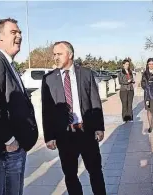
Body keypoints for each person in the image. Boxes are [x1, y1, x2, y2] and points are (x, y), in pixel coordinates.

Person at [0, 18, 38, 195]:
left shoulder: (8, 63)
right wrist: (10, 140)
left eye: (20, 32)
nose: (19, 35)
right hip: (5, 150)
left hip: (13, 149)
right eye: (14, 32)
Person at [41, 41, 106, 195]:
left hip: (86, 132)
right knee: (70, 175)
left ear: (70, 55)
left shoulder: (86, 73)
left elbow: (95, 101)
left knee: (95, 171)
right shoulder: (49, 79)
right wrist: (49, 136)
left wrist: (99, 127)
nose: (55, 57)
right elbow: (47, 110)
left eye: (59, 54)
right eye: (54, 54)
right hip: (65, 135)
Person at [141, 59, 153, 132]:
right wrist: (147, 87)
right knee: (149, 110)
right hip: (148, 94)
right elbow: (143, 84)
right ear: (147, 65)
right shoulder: (145, 74)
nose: (151, 65)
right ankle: (150, 126)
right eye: (149, 64)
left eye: (152, 64)